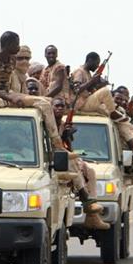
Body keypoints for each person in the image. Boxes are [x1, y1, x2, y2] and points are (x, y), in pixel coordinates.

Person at [0, 31, 66, 149]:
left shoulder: (12, 59)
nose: (18, 47)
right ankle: (7, 103)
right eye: (16, 44)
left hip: (6, 94)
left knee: (45, 102)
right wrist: (10, 99)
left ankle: (57, 144)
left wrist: (13, 97)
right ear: (8, 45)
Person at [52, 98, 110, 230]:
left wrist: (67, 136)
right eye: (57, 106)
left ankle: (92, 214)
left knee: (90, 171)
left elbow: (68, 147)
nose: (59, 108)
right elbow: (56, 147)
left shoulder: (62, 125)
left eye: (62, 106)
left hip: (63, 154)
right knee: (73, 163)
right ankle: (86, 199)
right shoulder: (47, 124)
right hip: (53, 156)